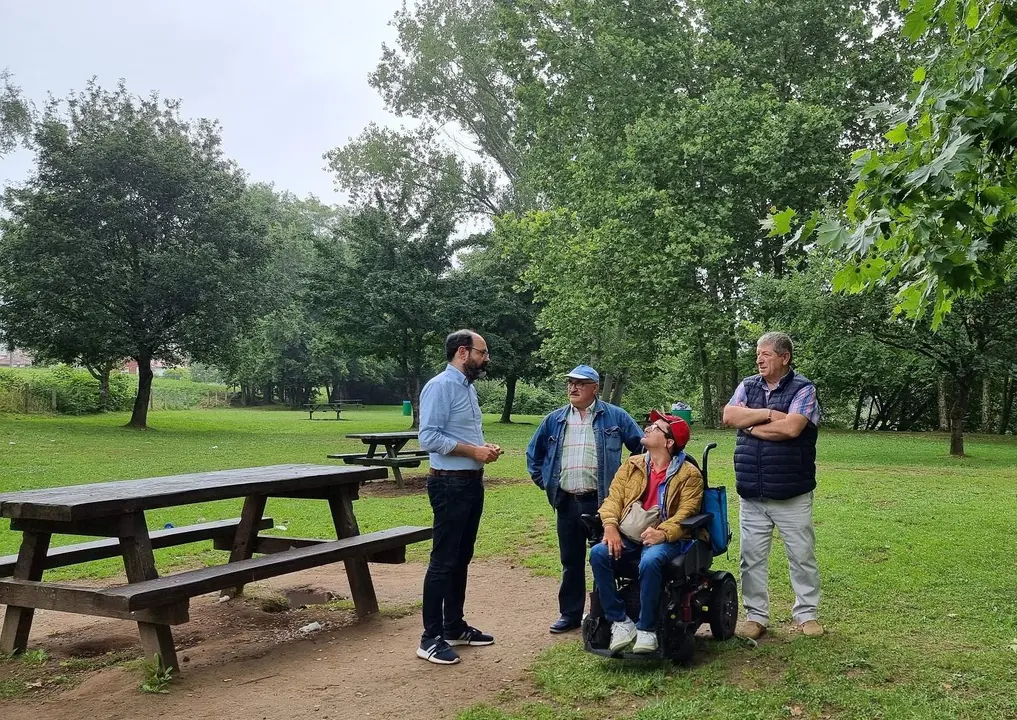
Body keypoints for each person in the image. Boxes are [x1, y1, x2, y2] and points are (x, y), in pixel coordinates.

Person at [526, 365, 643, 634]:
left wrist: (631, 486)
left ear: (595, 388)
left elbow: (641, 448)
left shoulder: (615, 417)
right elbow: (534, 455)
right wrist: (548, 484)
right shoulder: (554, 420)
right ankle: (570, 614)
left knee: (606, 558)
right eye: (570, 383)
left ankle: (603, 613)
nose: (573, 388)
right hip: (567, 502)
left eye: (580, 383)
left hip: (603, 503)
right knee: (571, 560)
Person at [722, 331, 823, 640]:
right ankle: (756, 616)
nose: (759, 358)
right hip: (752, 492)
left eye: (765, 353)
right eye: (757, 353)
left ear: (784, 357)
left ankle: (806, 614)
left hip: (791, 493)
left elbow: (793, 428)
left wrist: (749, 425)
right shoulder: (747, 385)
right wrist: (765, 416)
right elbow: (729, 415)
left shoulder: (803, 389)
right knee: (750, 557)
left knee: (801, 555)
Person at [416, 329, 503, 665]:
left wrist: (483, 450)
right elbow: (429, 437)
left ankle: (453, 626)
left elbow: (460, 436)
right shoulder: (440, 386)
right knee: (443, 561)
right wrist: (473, 451)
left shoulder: (466, 389)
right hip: (449, 485)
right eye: (482, 352)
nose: (486, 359)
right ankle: (430, 638)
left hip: (469, 483)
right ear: (464, 352)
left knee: (461, 556)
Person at [588, 410, 703, 654]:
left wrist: (662, 533)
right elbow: (613, 500)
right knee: (598, 553)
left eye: (656, 428)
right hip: (630, 534)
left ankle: (647, 629)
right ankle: (620, 621)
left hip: (668, 537)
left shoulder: (689, 475)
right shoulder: (632, 465)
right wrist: (609, 526)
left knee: (650, 560)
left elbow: (687, 512)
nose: (648, 428)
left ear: (669, 442)